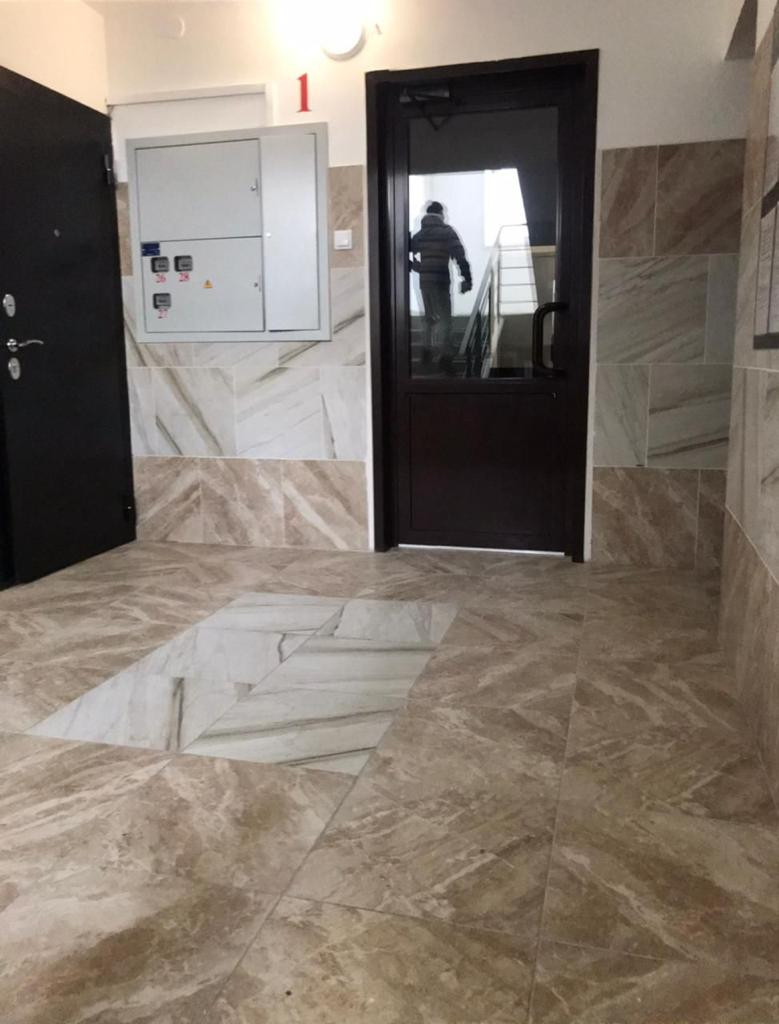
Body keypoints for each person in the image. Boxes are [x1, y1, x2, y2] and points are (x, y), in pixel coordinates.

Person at [410, 201, 472, 372]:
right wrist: (467, 278)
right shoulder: (447, 232)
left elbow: (407, 250)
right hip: (441, 280)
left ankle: (426, 350)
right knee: (445, 319)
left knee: (429, 316)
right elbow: (460, 256)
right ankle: (445, 358)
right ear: (441, 214)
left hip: (425, 281)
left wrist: (416, 267)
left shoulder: (420, 234)